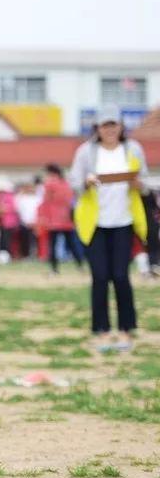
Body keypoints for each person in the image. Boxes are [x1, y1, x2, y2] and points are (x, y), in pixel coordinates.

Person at [69, 104, 148, 352]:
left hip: (123, 221)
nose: (110, 130)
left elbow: (144, 183)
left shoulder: (132, 149)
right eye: (105, 125)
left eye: (114, 125)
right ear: (98, 128)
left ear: (121, 127)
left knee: (121, 276)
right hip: (95, 223)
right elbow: (74, 182)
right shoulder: (86, 152)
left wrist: (137, 183)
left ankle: (126, 328)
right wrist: (87, 181)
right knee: (100, 277)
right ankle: (101, 330)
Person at [39, 164, 82, 274]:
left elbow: (46, 201)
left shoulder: (50, 184)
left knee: (53, 245)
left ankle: (54, 269)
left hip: (53, 219)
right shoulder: (66, 183)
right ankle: (80, 266)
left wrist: (43, 216)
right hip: (66, 218)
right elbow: (71, 200)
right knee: (72, 244)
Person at [15, 183, 41, 260]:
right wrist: (25, 221)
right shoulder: (22, 198)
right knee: (24, 240)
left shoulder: (37, 198)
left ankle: (35, 254)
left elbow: (38, 210)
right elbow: (20, 210)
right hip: (25, 223)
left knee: (35, 240)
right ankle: (25, 255)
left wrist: (35, 221)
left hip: (35, 222)